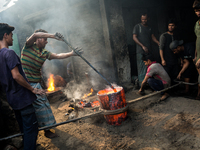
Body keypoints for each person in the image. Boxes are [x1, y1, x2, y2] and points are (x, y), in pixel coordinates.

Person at [21, 29, 83, 138]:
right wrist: (53, 36)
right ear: (38, 39)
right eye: (45, 39)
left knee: (44, 107)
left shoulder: (44, 53)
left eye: (47, 39)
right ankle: (42, 132)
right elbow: (35, 34)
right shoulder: (28, 46)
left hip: (36, 84)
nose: (46, 42)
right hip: (26, 85)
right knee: (39, 108)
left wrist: (72, 53)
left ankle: (46, 130)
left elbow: (58, 55)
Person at [0, 23, 45, 150]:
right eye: (11, 36)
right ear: (5, 35)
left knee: (24, 130)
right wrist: (32, 89)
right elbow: (16, 76)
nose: (12, 39)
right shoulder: (9, 53)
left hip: (13, 100)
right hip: (23, 99)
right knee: (31, 131)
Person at [133, 13, 159, 86]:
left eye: (145, 19)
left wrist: (157, 42)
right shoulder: (137, 27)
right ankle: (142, 84)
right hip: (140, 51)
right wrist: (142, 46)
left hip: (148, 51)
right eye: (142, 19)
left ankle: (148, 83)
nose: (144, 21)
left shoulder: (149, 28)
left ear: (148, 19)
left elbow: (152, 36)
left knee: (148, 68)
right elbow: (134, 37)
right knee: (141, 68)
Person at [159, 19, 180, 85]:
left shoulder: (177, 35)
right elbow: (161, 48)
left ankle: (174, 91)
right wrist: (162, 59)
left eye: (172, 25)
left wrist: (181, 59)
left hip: (175, 60)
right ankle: (167, 91)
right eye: (169, 25)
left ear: (175, 26)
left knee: (175, 75)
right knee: (167, 76)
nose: (170, 27)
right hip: (167, 60)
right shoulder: (164, 36)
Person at [193, 0, 200, 99]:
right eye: (196, 11)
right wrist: (195, 55)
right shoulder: (197, 24)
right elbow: (197, 39)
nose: (198, 12)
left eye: (199, 10)